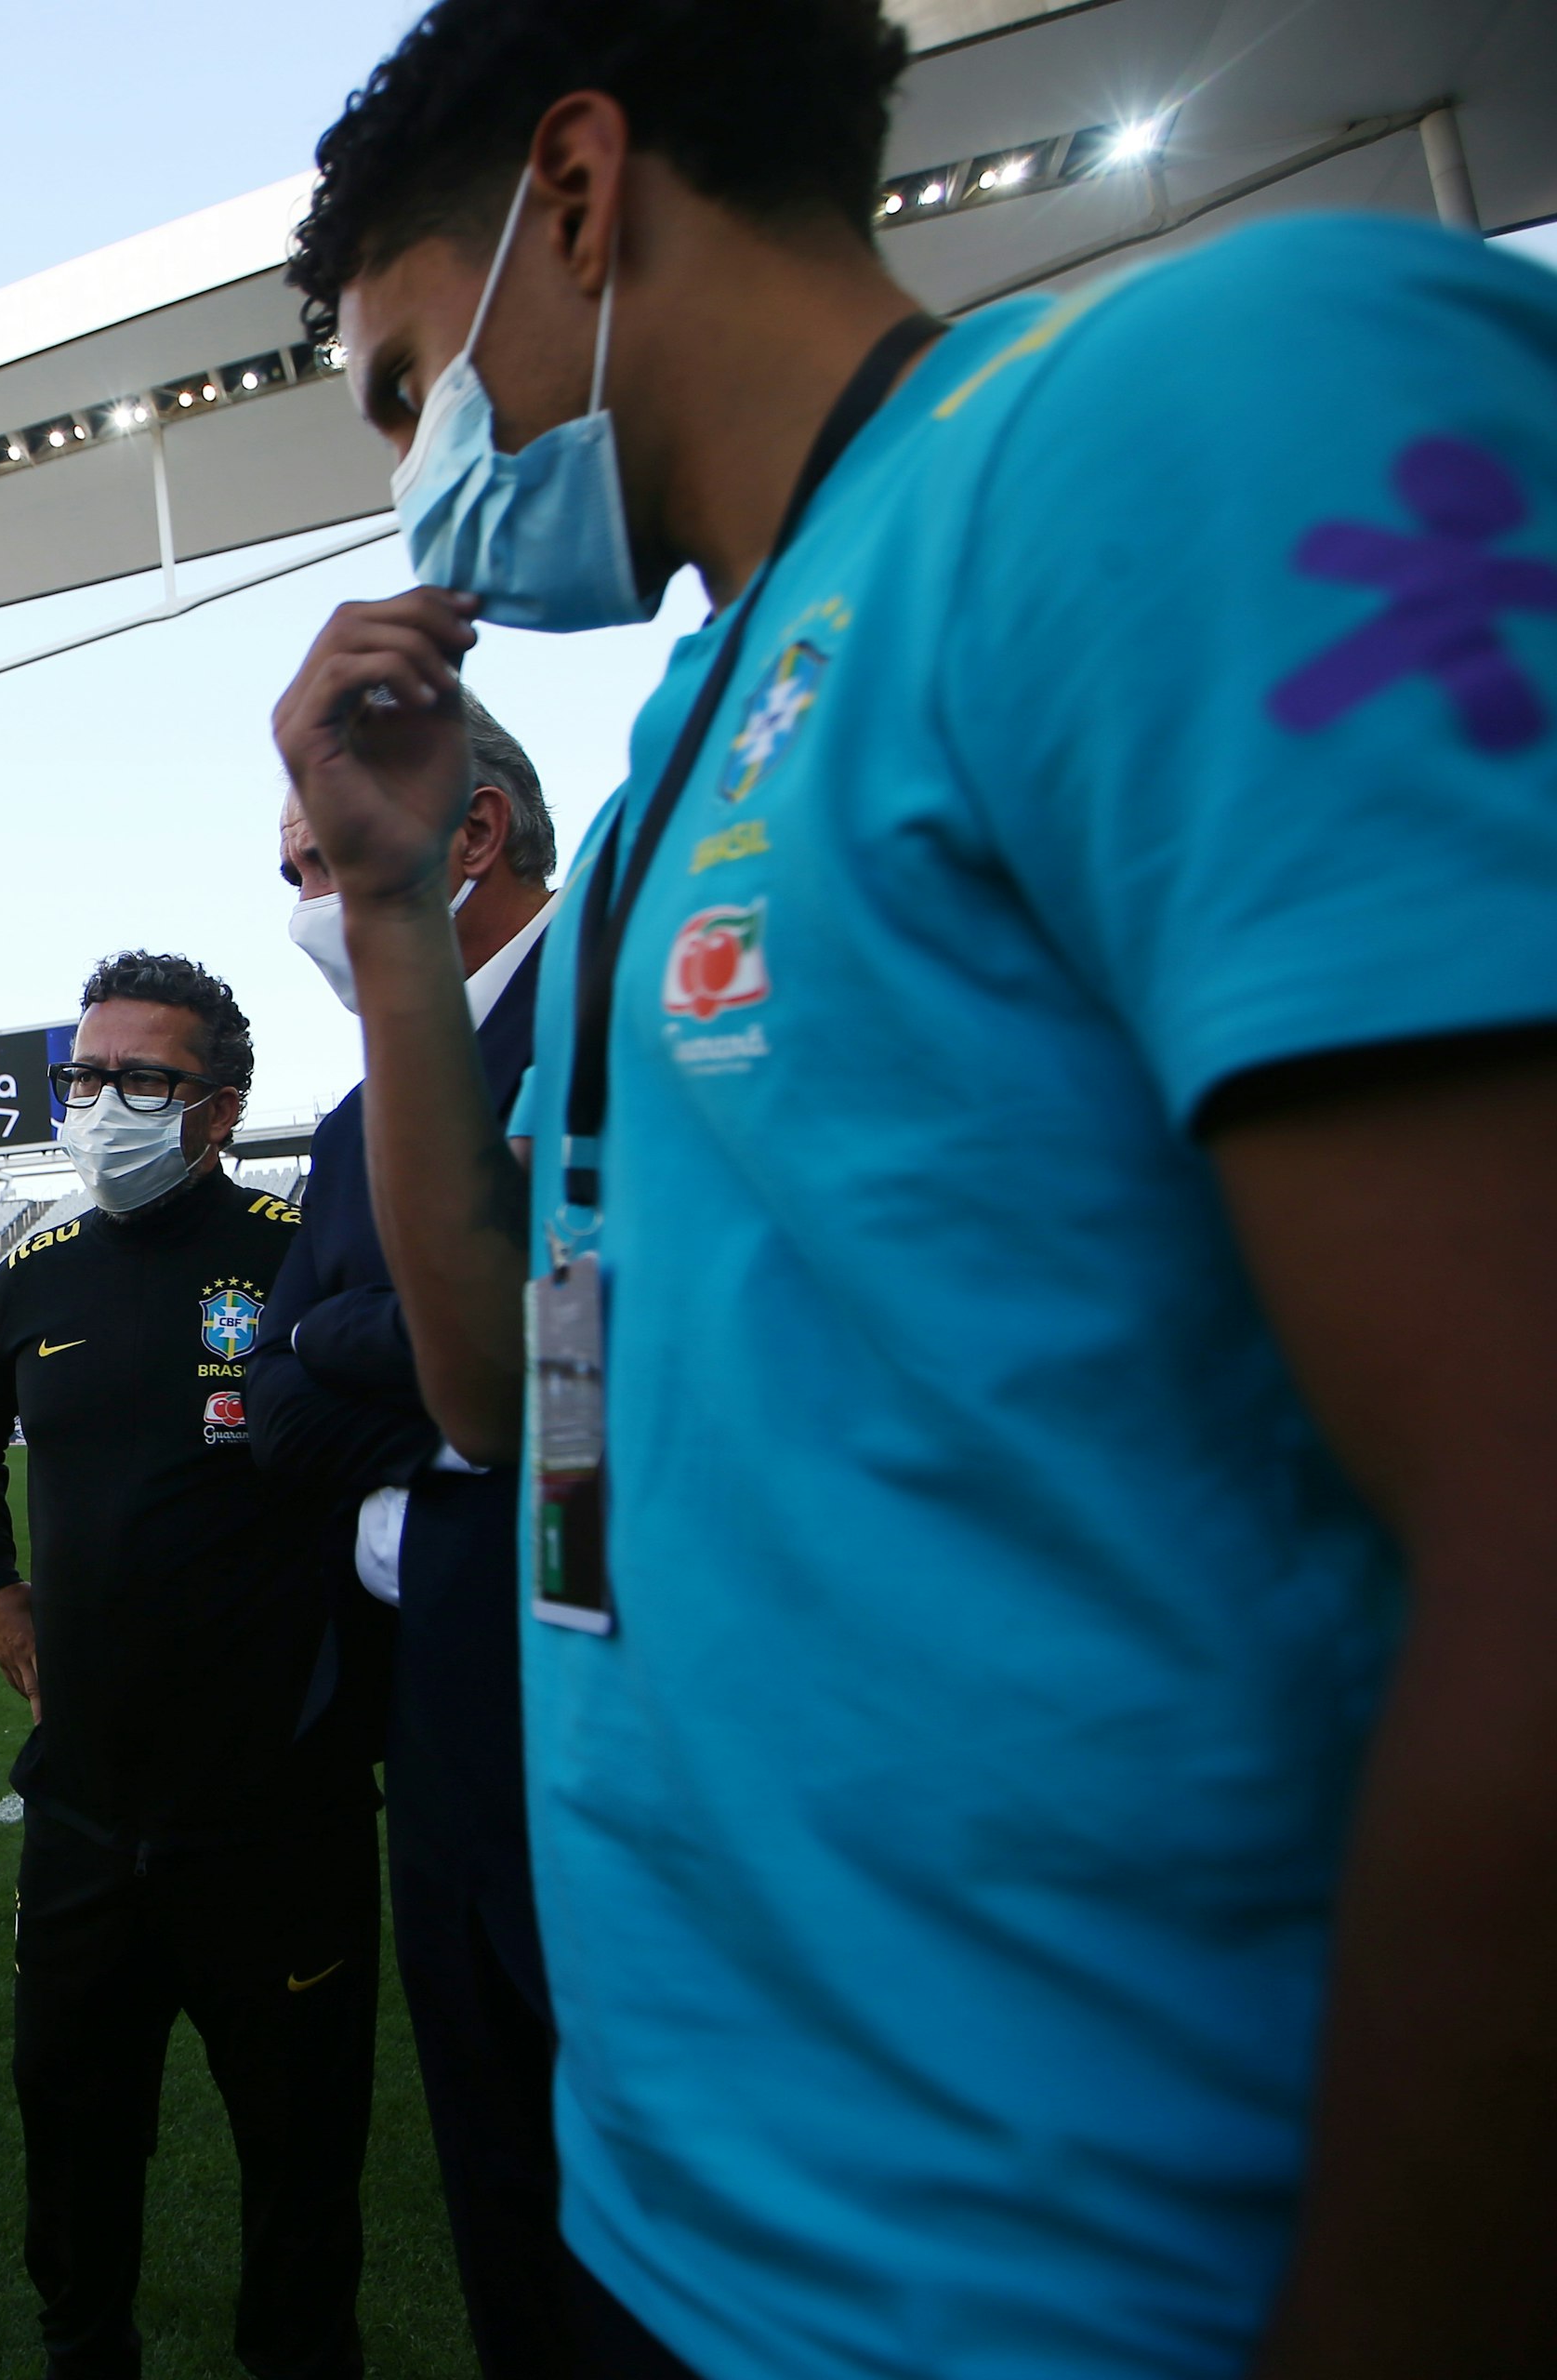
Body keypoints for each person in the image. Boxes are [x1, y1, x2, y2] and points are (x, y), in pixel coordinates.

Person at [278, 1, 1557, 2373]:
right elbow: (499, 1387)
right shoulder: (685, 743)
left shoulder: (1196, 408)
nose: (411, 478)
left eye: (399, 386)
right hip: (686, 2224)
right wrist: (381, 899)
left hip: (1087, 2284)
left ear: (578, 196)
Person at [0, 950, 376, 2380]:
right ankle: (86, 2351)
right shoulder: (30, 1277)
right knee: (71, 2130)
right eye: (83, 1075)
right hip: (81, 1812)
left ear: (217, 1105)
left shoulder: (292, 1247)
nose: (101, 1103)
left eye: (141, 1078)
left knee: (302, 2153)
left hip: (279, 1811)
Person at [247, 705, 571, 2380]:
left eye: (335, 860)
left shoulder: (610, 1014)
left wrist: (392, 1354)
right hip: (426, 1722)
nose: (307, 899)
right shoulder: (356, 1108)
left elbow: (567, 1357)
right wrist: (439, 1380)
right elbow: (276, 1388)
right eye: (296, 870)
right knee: (494, 2168)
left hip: (595, 1698)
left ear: (473, 839)